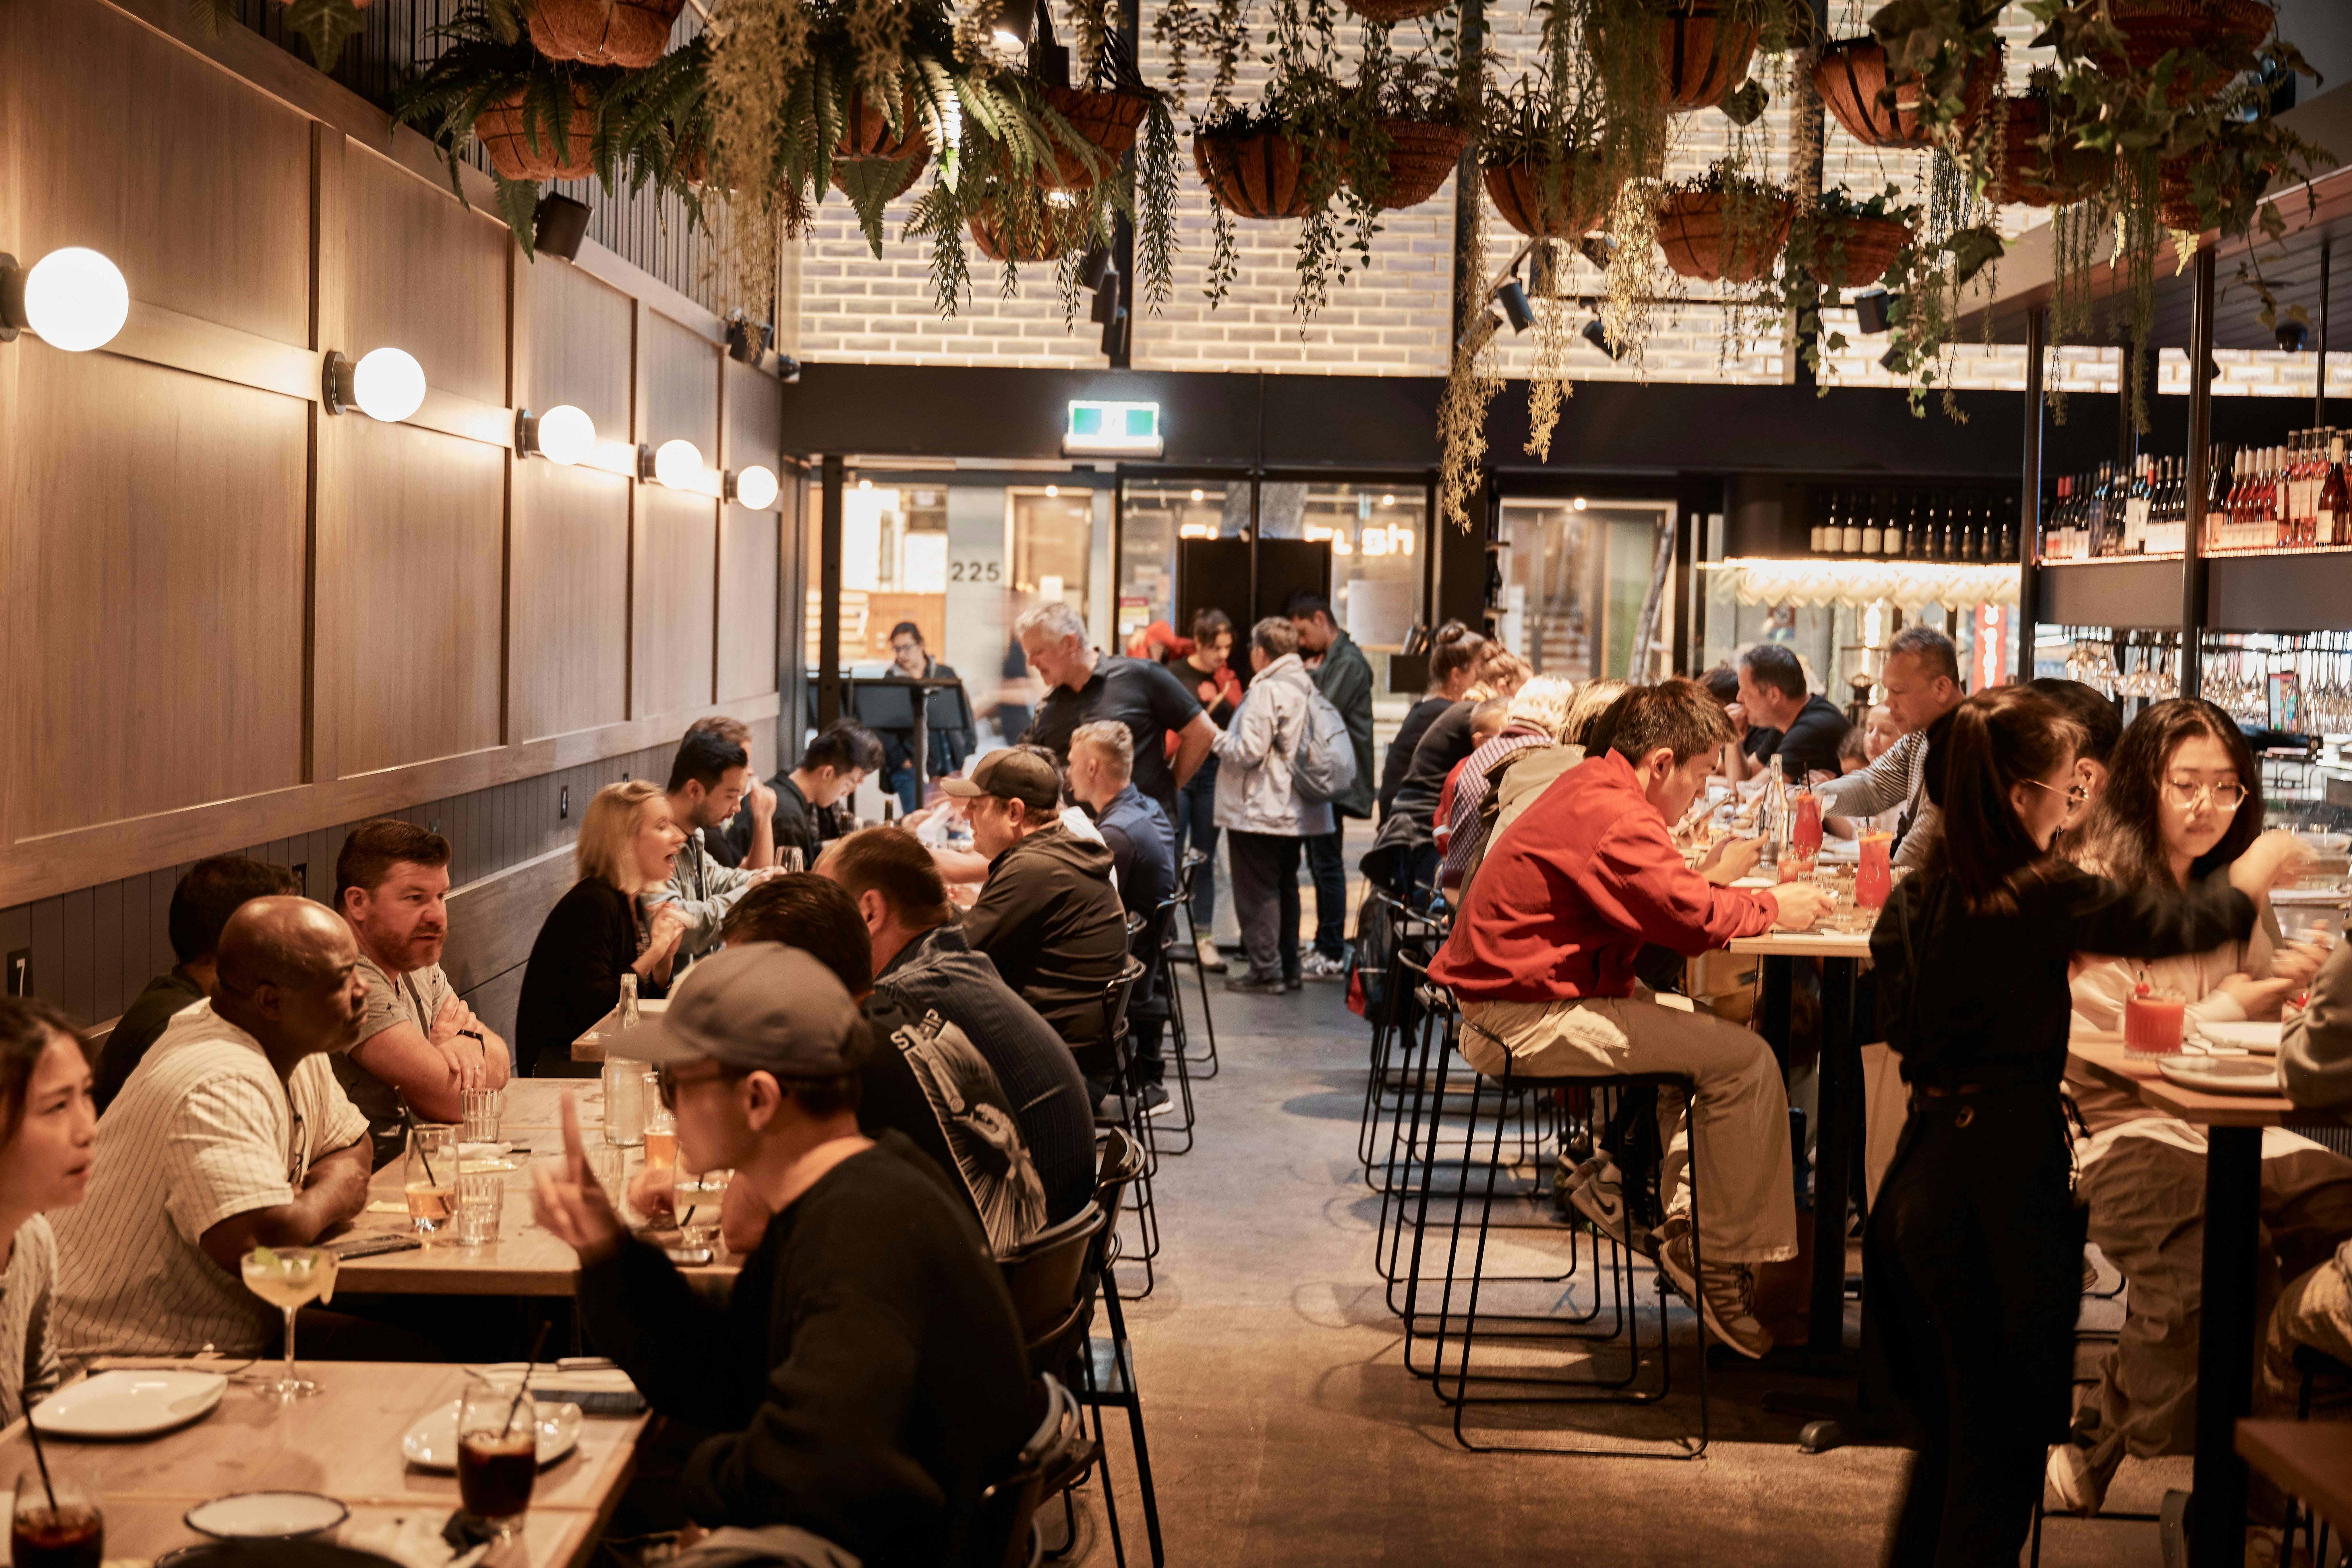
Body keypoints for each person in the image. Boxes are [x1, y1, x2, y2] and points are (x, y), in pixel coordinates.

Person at [1864, 685, 2298, 1563]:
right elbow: (2186, 923)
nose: (2076, 808)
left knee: (1950, 1440)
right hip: (2002, 1186)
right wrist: (2257, 872)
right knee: (2002, 1451)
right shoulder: (2043, 894)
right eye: (2068, 790)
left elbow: (1894, 1018)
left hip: (1923, 1174)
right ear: (2021, 795)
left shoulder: (1924, 895)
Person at [530, 946, 1036, 1567]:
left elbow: (817, 1474)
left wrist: (684, 1472)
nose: (668, 1106)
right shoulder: (857, 1185)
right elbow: (723, 1374)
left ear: (760, 1099)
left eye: (675, 1082)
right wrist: (609, 1252)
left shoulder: (861, 1232)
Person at [1429, 679, 1827, 1358]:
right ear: (1663, 763)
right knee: (1746, 1060)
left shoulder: (1595, 787)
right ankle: (1711, 1258)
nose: (1701, 793)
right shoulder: (1613, 811)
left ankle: (1686, 1231)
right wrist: (1772, 909)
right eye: (1702, 775)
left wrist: (1717, 888)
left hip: (1523, 997)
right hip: (1522, 1016)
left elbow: (1662, 907)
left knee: (1704, 1040)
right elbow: (1689, 917)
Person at [2045, 699, 2349, 1515]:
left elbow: (2237, 1011)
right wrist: (2255, 990)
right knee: (2219, 1258)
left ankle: (2275, 1476)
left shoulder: (2232, 881)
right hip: (2119, 1126)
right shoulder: (2102, 881)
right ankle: (2106, 1436)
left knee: (2342, 1220)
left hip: (2238, 1121)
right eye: (2188, 785)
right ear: (2147, 783)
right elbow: (2122, 1030)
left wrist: (2287, 995)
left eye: (2227, 788)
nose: (2208, 806)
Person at [53, 898, 377, 1364]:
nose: (363, 989)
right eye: (342, 980)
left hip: (216, 1341)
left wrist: (301, 1209)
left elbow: (353, 1145)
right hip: (118, 1361)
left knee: (432, 1346)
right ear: (271, 1000)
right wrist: (333, 1194)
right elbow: (256, 1247)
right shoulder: (219, 1078)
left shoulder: (292, 1041)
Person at [711, 877, 1046, 1258]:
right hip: (1019, 1284)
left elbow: (742, 1229)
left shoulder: (831, 1057)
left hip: (957, 1302)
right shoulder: (910, 1018)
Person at [817, 826, 1097, 1222]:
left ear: (870, 912)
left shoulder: (905, 999)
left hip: (1028, 1252)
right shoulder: (955, 962)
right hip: (1061, 1237)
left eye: (825, 908)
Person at [941, 750, 1129, 1092]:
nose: (967, 816)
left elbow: (953, 957)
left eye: (977, 805)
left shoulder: (1035, 868)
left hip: (1054, 1074)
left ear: (1014, 812)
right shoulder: (1055, 851)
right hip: (1072, 1058)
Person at [329, 820, 512, 1166]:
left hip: (420, 1167)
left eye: (440, 896)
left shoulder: (415, 958)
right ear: (357, 903)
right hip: (369, 1187)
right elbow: (453, 1101)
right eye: (415, 898)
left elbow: (501, 1059)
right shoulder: (347, 976)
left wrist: (455, 1050)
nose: (437, 915)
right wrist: (441, 1050)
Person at [515, 782, 691, 1077]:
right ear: (624, 840)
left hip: (603, 1067)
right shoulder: (593, 904)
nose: (679, 837)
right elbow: (599, 1012)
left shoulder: (627, 900)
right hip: (559, 1071)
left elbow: (636, 1011)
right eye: (663, 826)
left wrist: (663, 966)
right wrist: (655, 951)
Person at [98, 857, 297, 1114]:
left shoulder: (216, 1009)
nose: (294, 948)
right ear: (237, 944)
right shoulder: (180, 1029)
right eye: (281, 932)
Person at [1214, 618, 1332, 997]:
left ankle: (1267, 972)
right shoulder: (1307, 684)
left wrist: (1212, 736)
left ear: (1261, 652)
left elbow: (1248, 751)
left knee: (1258, 891)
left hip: (1262, 809)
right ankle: (1288, 969)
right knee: (1285, 888)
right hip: (1295, 809)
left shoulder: (1268, 690)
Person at [1016, 601, 1214, 826]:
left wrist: (1169, 788)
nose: (1031, 663)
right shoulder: (1048, 708)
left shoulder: (1140, 676)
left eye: (1038, 652)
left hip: (1145, 840)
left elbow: (1202, 732)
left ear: (1069, 643)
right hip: (1077, 847)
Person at [1068, 721, 1178, 1109]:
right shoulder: (1142, 807)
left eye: (1072, 763)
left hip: (1130, 970)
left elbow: (1081, 908)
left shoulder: (1117, 833)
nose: (1068, 773)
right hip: (1148, 957)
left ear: (1093, 768)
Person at [0, 999, 97, 1422]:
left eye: (86, 1095)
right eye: (57, 1106)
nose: (88, 1129)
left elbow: (36, 1394)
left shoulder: (33, 1240)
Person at [1816, 625, 1965, 868]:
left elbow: (1925, 841)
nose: (1889, 702)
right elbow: (1874, 786)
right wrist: (1814, 798)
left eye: (1898, 691)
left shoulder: (1967, 738)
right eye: (1887, 690)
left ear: (1942, 688)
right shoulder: (1921, 733)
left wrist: (1890, 889)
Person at [1290, 593, 1376, 981]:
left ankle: (1331, 949)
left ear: (1321, 619)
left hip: (1337, 778)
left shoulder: (1349, 662)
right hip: (1331, 776)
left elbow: (1322, 705)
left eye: (1304, 632)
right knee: (1322, 861)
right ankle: (1326, 944)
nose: (1302, 642)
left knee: (1326, 864)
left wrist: (1308, 676)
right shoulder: (1336, 660)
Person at [661, 728, 785, 966]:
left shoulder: (693, 833)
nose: (738, 808)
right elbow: (679, 927)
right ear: (695, 790)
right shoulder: (652, 839)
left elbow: (719, 879)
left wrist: (765, 878)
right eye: (731, 796)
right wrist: (749, 891)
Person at [1438, 677, 1575, 892]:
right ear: (1564, 714)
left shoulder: (1481, 753)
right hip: (1489, 891)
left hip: (1454, 886)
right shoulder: (1547, 753)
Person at [1164, 610, 1241, 972]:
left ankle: (1204, 939)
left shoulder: (1227, 678)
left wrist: (1230, 691)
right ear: (1198, 643)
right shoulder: (1175, 675)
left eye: (1226, 647)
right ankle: (1163, 935)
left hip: (1213, 771)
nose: (1222, 654)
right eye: (1215, 647)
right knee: (1170, 853)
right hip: (1178, 770)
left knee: (1204, 860)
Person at [1377, 621, 1486, 822]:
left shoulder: (1427, 708)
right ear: (1456, 675)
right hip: (1410, 831)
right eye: (1478, 674)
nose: (1482, 682)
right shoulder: (1448, 715)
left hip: (1399, 822)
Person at [876, 623, 972, 817]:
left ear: (921, 645)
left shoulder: (944, 674)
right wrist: (903, 761)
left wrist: (963, 752)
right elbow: (883, 729)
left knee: (959, 822)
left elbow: (963, 713)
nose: (902, 654)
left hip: (946, 766)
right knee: (918, 823)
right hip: (910, 768)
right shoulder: (892, 679)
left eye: (907, 647)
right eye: (897, 648)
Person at [1724, 643, 1851, 782]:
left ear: (1774, 696)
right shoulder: (1784, 721)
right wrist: (1733, 736)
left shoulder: (1811, 729)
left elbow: (1753, 793)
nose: (1739, 698)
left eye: (1746, 692)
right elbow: (1744, 779)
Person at [767, 724, 881, 873]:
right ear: (828, 773)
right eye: (850, 783)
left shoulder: (785, 790)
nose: (848, 792)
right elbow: (792, 881)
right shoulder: (787, 815)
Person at [691, 716, 780, 872]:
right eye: (744, 762)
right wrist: (764, 819)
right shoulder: (704, 833)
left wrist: (763, 817)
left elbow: (745, 872)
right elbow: (757, 882)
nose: (751, 771)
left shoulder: (710, 824)